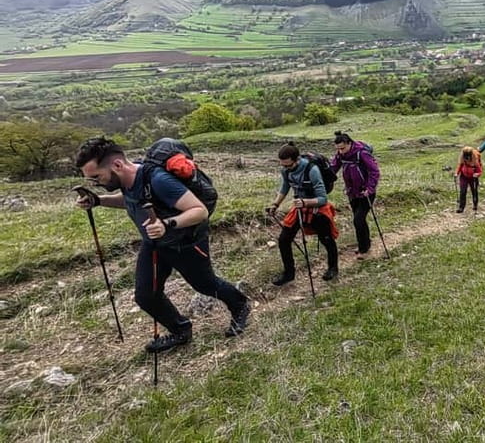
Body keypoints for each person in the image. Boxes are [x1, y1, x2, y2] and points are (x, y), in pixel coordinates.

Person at [75, 137, 250, 353]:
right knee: (146, 294)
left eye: (96, 177)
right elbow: (130, 200)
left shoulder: (159, 180)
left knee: (205, 284)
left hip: (184, 242)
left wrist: (167, 224)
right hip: (155, 243)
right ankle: (180, 330)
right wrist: (99, 200)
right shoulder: (128, 180)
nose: (96, 183)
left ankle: (240, 304)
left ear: (117, 165)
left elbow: (199, 211)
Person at [267, 142, 339, 285]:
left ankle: (333, 268)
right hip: (299, 207)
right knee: (284, 240)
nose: (286, 169)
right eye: (283, 165)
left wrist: (306, 202)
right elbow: (285, 188)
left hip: (317, 208)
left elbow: (323, 198)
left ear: (297, 159)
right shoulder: (286, 170)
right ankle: (289, 273)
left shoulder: (312, 170)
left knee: (326, 239)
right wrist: (275, 204)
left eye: (289, 165)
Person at [329, 131, 380, 259]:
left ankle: (363, 249)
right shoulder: (341, 155)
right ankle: (365, 244)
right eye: (338, 149)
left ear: (349, 143)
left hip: (366, 193)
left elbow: (374, 171)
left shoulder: (361, 153)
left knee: (358, 220)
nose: (340, 151)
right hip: (352, 192)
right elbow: (333, 168)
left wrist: (370, 188)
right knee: (359, 220)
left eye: (342, 148)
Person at [455, 146, 482, 212]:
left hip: (473, 177)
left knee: (474, 191)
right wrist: (456, 173)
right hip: (464, 176)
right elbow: (460, 166)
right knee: (463, 191)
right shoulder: (462, 158)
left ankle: (475, 204)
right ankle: (461, 207)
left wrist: (477, 174)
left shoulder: (475, 160)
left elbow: (479, 171)